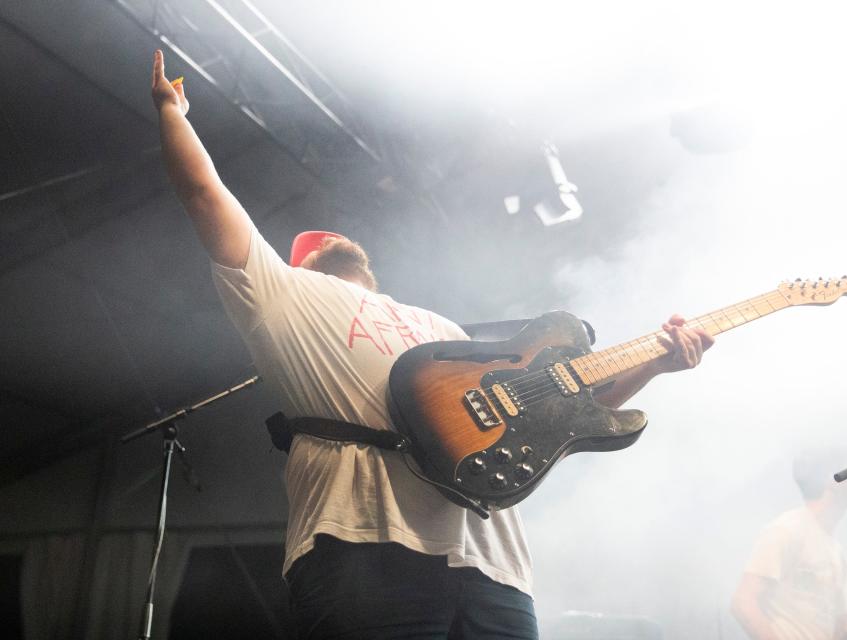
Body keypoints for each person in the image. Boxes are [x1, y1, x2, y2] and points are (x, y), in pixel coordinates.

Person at [151, 49, 715, 639]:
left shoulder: (442, 327)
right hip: (363, 546)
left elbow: (567, 414)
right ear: (302, 263)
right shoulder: (284, 295)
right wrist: (173, 113)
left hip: (493, 562)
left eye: (335, 233)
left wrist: (657, 361)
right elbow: (204, 194)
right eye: (314, 241)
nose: (330, 236)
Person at [731, 447, 847, 640]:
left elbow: (841, 629)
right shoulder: (787, 530)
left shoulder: (835, 548)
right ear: (833, 480)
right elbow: (743, 602)